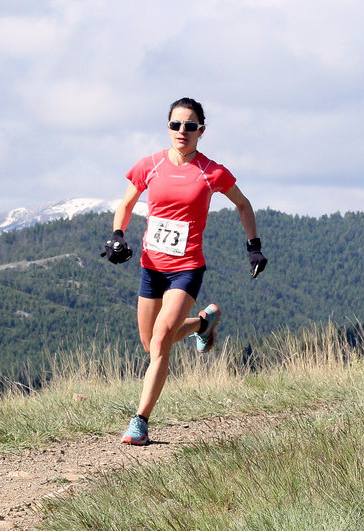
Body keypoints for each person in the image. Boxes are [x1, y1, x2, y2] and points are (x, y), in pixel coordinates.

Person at [102, 97, 267, 446]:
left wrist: (253, 247)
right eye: (176, 125)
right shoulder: (150, 165)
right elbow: (127, 204)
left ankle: (140, 422)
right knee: (150, 344)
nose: (183, 131)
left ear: (201, 131)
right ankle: (203, 323)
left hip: (187, 268)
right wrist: (117, 236)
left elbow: (243, 203)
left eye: (190, 126)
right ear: (168, 128)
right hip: (151, 266)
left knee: (162, 338)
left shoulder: (211, 172)